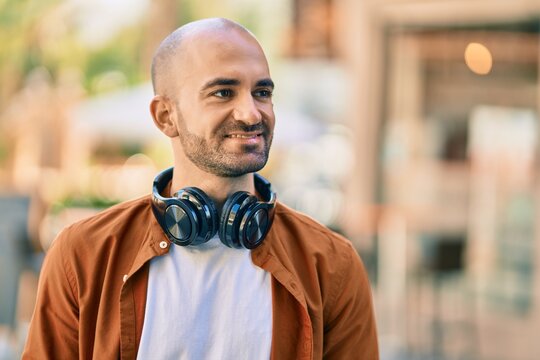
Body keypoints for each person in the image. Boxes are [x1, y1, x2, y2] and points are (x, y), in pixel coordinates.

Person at [22, 18, 379, 359]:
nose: (252, 113)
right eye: (224, 92)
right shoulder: (82, 256)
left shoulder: (332, 265)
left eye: (262, 92)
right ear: (166, 116)